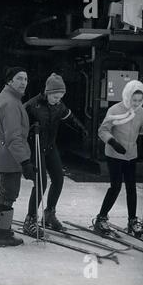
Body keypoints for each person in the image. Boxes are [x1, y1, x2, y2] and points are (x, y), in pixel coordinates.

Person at [22, 73, 89, 236]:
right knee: (41, 183)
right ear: (47, 92)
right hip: (35, 147)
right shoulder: (32, 105)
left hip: (50, 147)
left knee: (59, 179)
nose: (57, 100)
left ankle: (49, 213)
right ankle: (30, 219)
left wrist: (82, 129)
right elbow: (19, 125)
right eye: (55, 96)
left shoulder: (59, 106)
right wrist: (30, 131)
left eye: (60, 97)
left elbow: (69, 117)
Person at [94, 80, 143, 237]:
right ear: (127, 96)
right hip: (115, 153)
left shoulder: (140, 111)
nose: (136, 103)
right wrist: (112, 142)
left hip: (131, 154)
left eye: (140, 100)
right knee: (116, 186)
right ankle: (101, 218)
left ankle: (132, 221)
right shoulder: (115, 109)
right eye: (134, 100)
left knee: (131, 188)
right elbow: (102, 130)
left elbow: (138, 129)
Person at [0, 67, 35, 247]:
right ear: (10, 81)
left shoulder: (6, 98)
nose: (23, 82)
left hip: (2, 154)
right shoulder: (11, 104)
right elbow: (14, 137)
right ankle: (4, 235)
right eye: (19, 78)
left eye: (26, 79)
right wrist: (25, 162)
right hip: (10, 157)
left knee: (3, 192)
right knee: (9, 195)